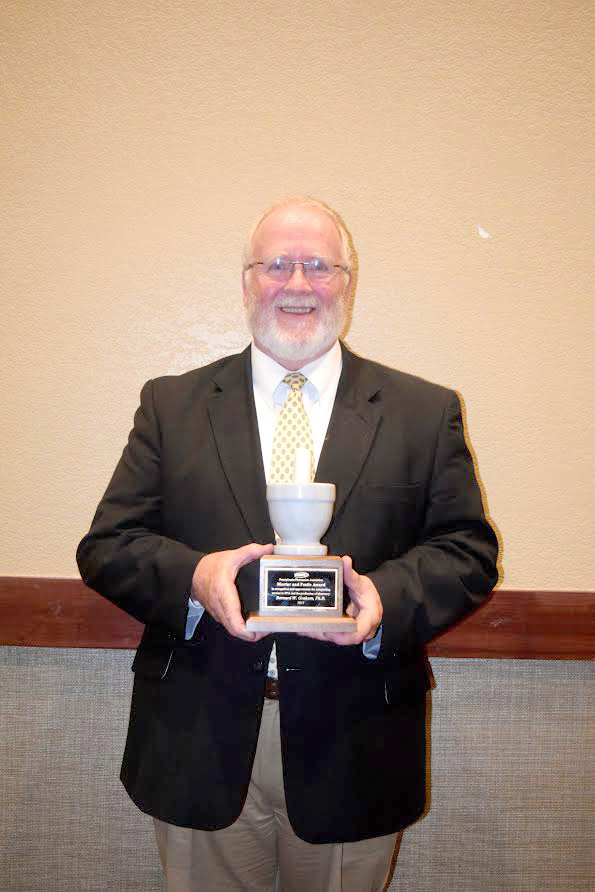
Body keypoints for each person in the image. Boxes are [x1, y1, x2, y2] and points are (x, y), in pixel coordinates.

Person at [77, 196, 498, 892]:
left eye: (317, 266)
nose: (297, 284)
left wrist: (381, 599)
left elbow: (467, 551)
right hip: (198, 739)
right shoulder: (172, 405)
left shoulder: (424, 412)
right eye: (276, 265)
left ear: (347, 282)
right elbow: (107, 545)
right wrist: (195, 578)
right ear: (247, 281)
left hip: (354, 741)